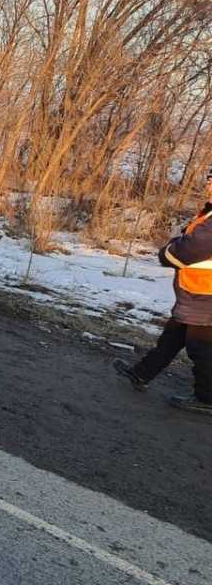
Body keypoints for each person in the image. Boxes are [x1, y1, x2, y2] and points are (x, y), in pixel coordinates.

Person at [115, 167, 212, 413]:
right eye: (209, 180)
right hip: (195, 294)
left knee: (201, 349)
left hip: (206, 298)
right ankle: (142, 373)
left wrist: (167, 251)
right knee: (172, 338)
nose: (208, 186)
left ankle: (207, 399)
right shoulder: (208, 213)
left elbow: (186, 251)